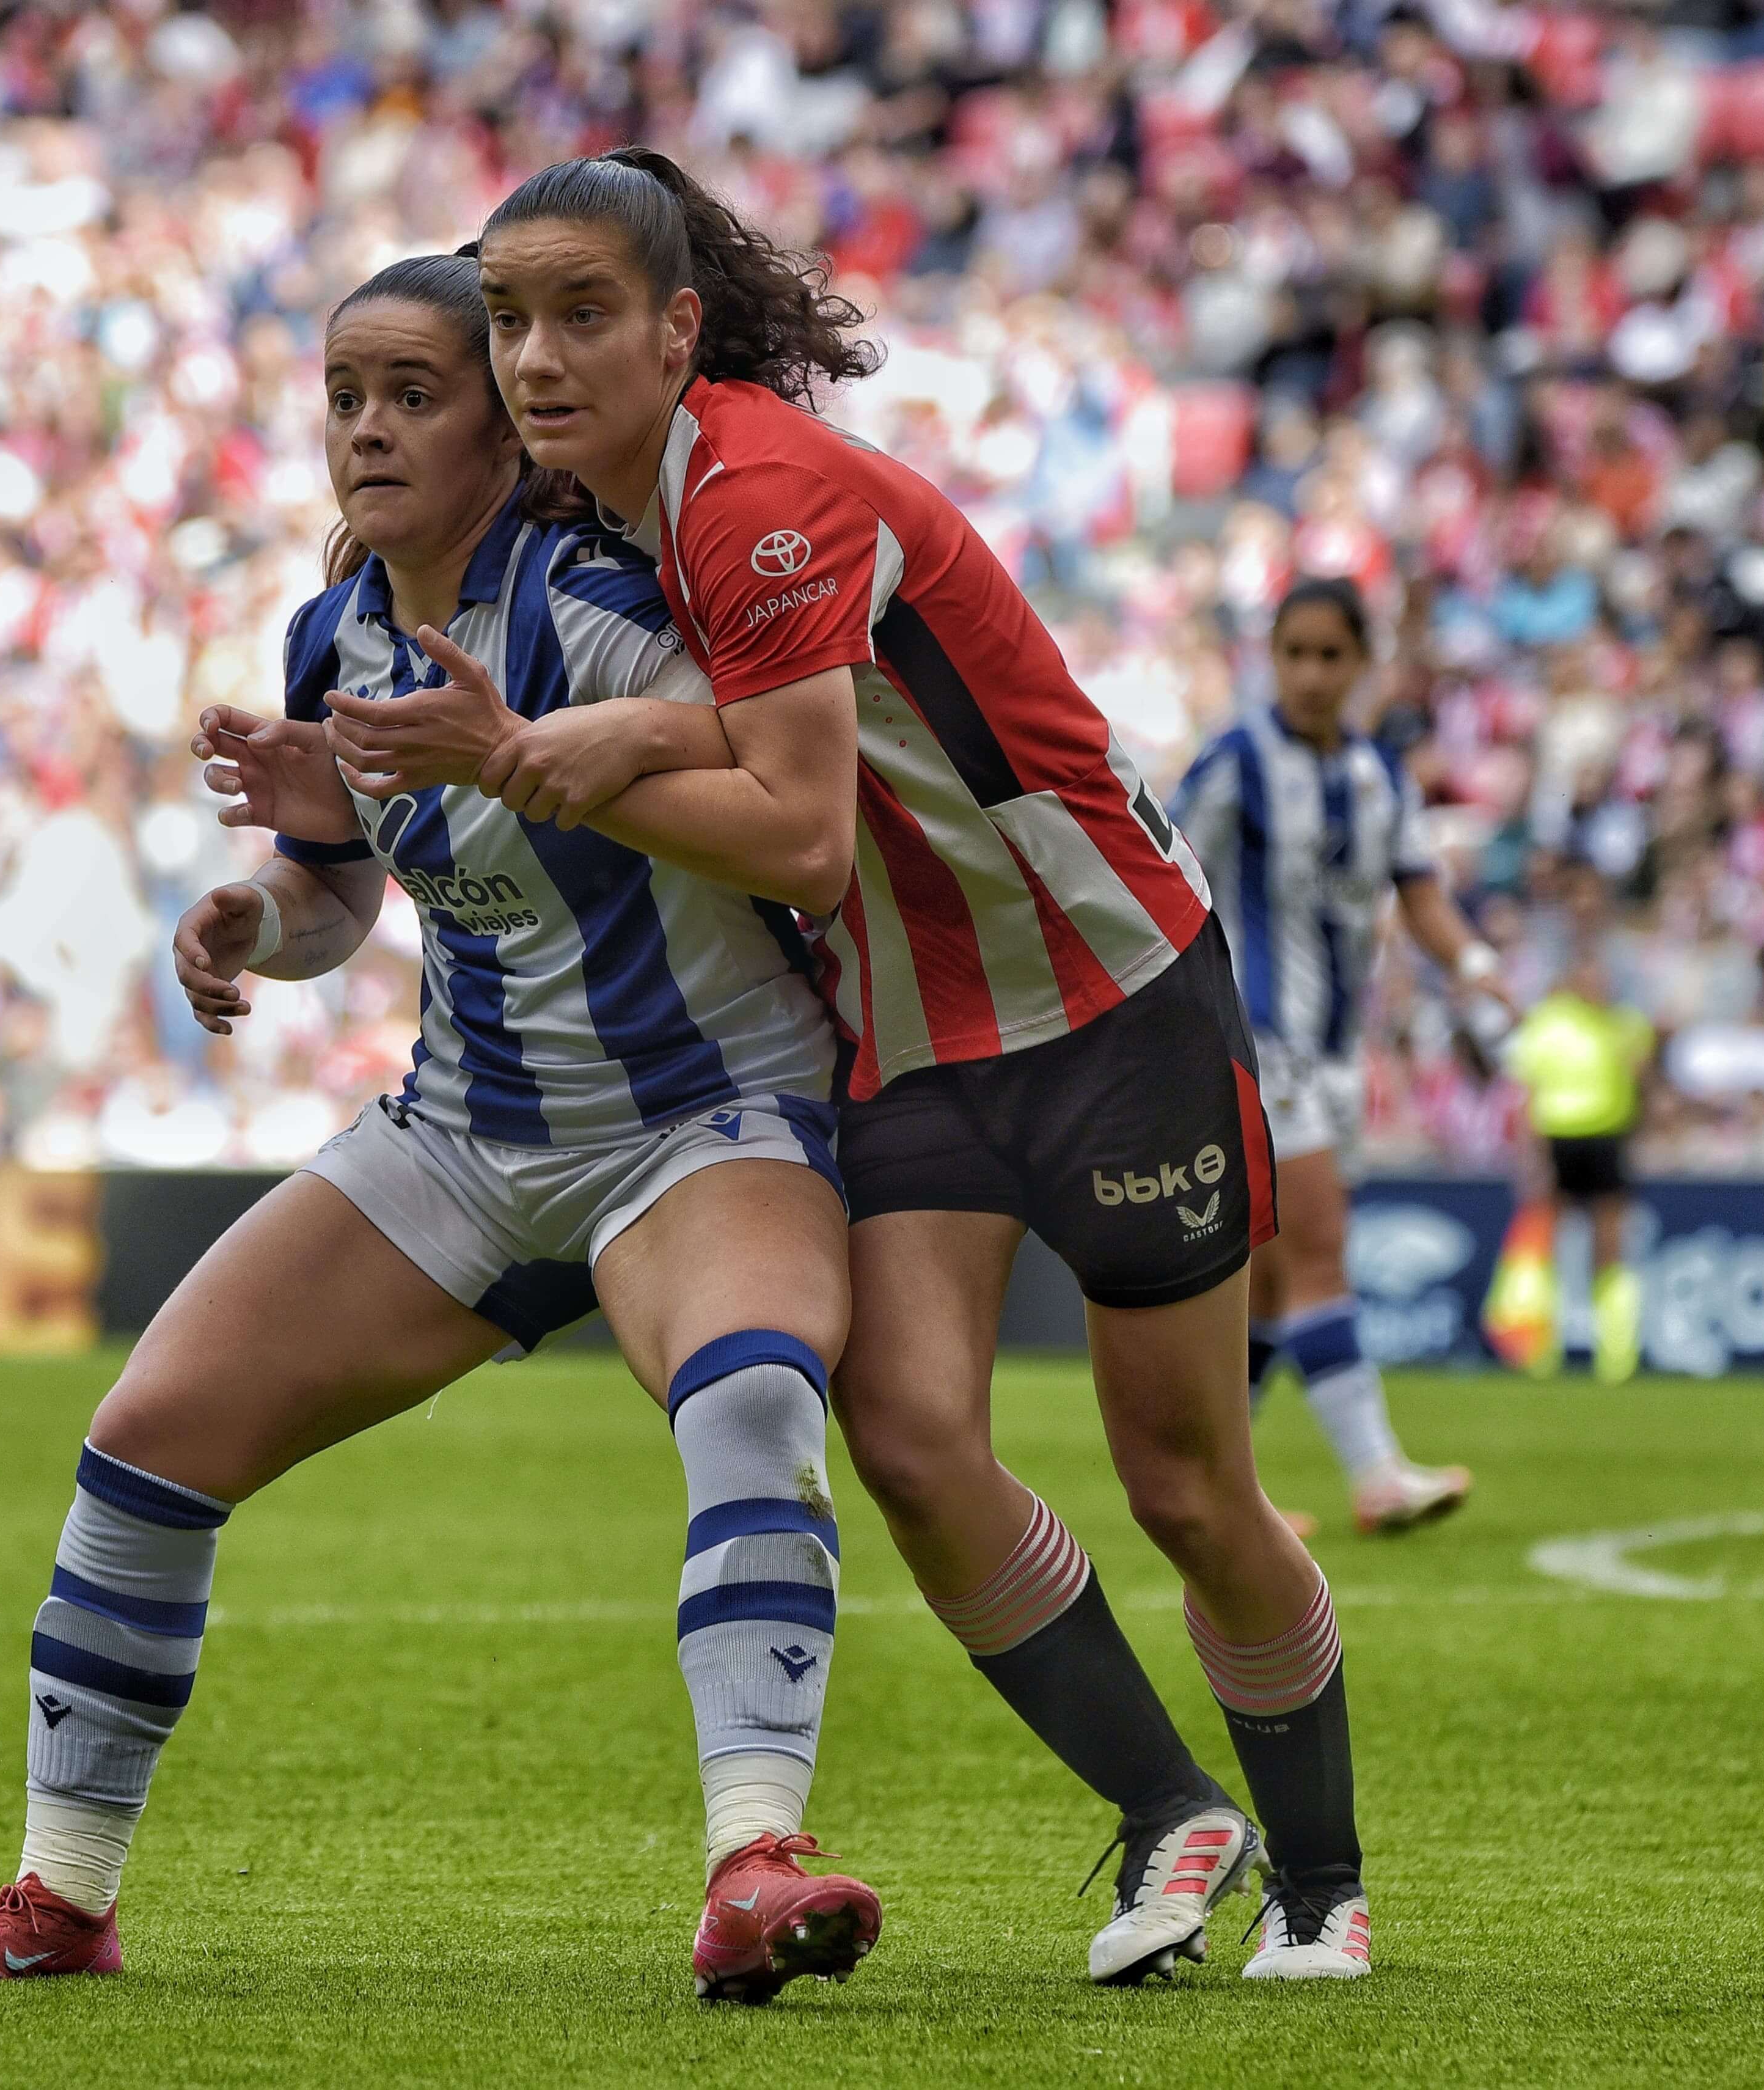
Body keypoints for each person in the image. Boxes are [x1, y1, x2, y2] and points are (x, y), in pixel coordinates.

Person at [330, 150, 1371, 1982]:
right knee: (899, 1435)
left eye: (579, 314)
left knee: (1185, 1485)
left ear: (675, 328)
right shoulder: (605, 517)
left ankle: (1319, 1885)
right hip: (903, 1034)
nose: (532, 358)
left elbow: (801, 835)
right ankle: (1162, 1816)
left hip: (1111, 999)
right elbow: (709, 716)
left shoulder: (758, 492)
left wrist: (554, 757)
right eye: (504, 319)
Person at [0, 255, 884, 2004]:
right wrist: (258, 919)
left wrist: (550, 751)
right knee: (146, 1442)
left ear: (502, 423)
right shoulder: (334, 635)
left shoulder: (601, 600)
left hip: (698, 1115)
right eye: (347, 394)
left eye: (414, 392)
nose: (368, 426)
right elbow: (348, 893)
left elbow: (790, 781)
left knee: (751, 1395)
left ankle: (753, 1857)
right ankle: (62, 1897)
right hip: (467, 1133)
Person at [1169, 576, 1497, 1536]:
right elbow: (1162, 868)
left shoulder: (1380, 777)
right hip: (1257, 1042)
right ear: (1272, 659)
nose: (1312, 674)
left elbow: (1421, 892)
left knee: (1272, 1283)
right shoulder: (1236, 760)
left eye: (1330, 655)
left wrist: (1473, 964)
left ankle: (1225, 1496)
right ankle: (1378, 1474)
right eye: (1295, 653)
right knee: (1318, 1248)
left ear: (1363, 665)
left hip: (1337, 1050)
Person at [1499, 944, 1657, 1381]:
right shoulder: (1547, 1026)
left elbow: (1644, 1086)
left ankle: (1617, 1353)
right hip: (1558, 1141)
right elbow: (1528, 1097)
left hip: (1607, 1139)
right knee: (1544, 1245)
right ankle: (1538, 1348)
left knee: (1610, 1246)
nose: (1597, 985)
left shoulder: (1626, 1026)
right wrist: (1529, 1155)